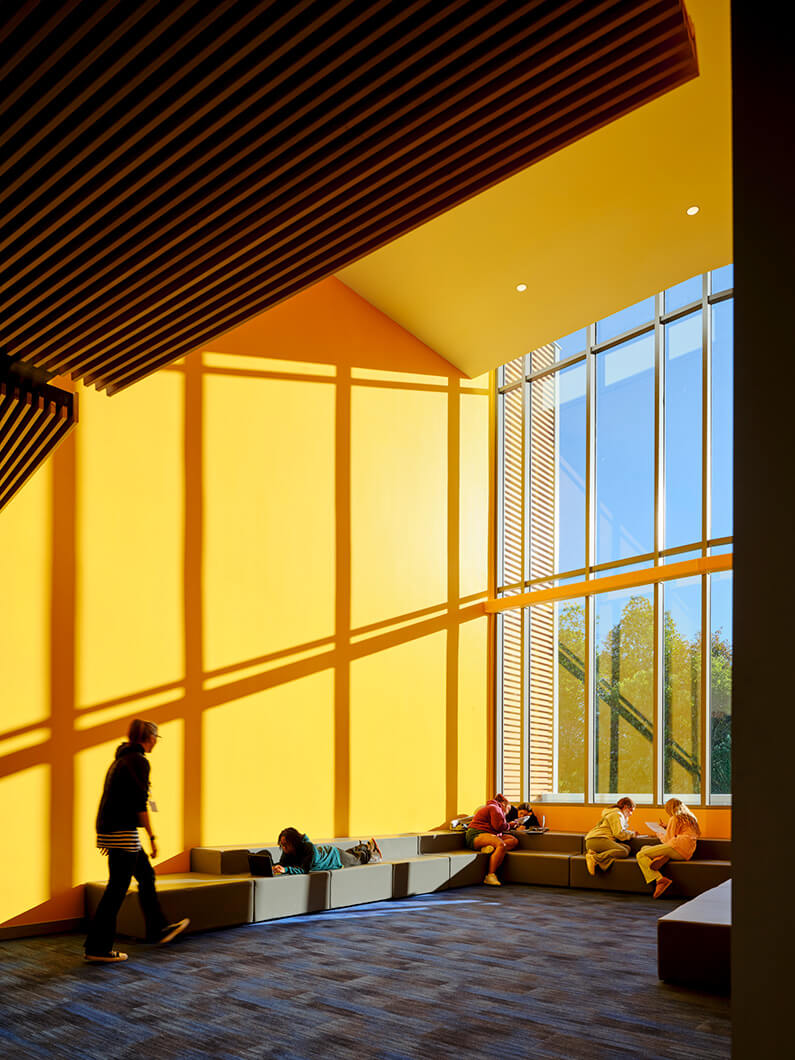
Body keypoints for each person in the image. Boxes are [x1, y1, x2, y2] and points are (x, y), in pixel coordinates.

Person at [84, 719, 189, 963]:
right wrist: (152, 838)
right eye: (156, 737)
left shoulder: (121, 759)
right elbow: (140, 805)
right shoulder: (139, 761)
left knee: (145, 876)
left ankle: (158, 928)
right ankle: (98, 947)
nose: (156, 742)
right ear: (149, 737)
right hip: (122, 831)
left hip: (113, 830)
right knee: (116, 889)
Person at [636, 799, 701, 898]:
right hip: (687, 852)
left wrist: (659, 834)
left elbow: (667, 840)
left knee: (640, 854)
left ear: (669, 809)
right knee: (644, 848)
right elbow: (684, 832)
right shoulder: (691, 818)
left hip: (677, 846)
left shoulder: (674, 818)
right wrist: (667, 827)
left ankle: (660, 880)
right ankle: (663, 856)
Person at [273, 828, 382, 874]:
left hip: (333, 857)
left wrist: (286, 870)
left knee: (356, 860)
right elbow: (283, 863)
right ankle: (366, 845)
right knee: (350, 853)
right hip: (325, 853)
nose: (283, 847)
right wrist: (276, 866)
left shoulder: (308, 848)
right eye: (282, 845)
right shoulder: (288, 851)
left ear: (295, 842)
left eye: (286, 844)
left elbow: (304, 869)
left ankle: (371, 851)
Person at [465, 793, 519, 885]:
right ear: (504, 804)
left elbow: (497, 828)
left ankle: (490, 848)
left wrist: (507, 825)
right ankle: (490, 875)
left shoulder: (494, 808)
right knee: (501, 844)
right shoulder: (495, 808)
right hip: (477, 834)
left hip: (490, 834)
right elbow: (498, 826)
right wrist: (510, 825)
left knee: (513, 840)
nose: (507, 813)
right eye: (508, 809)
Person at [584, 797, 636, 875]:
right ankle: (594, 858)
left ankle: (595, 853)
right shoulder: (617, 814)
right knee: (623, 851)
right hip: (597, 839)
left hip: (595, 840)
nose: (631, 814)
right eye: (631, 810)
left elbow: (619, 830)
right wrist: (632, 834)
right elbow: (618, 834)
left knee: (627, 848)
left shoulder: (614, 813)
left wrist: (629, 829)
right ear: (625, 807)